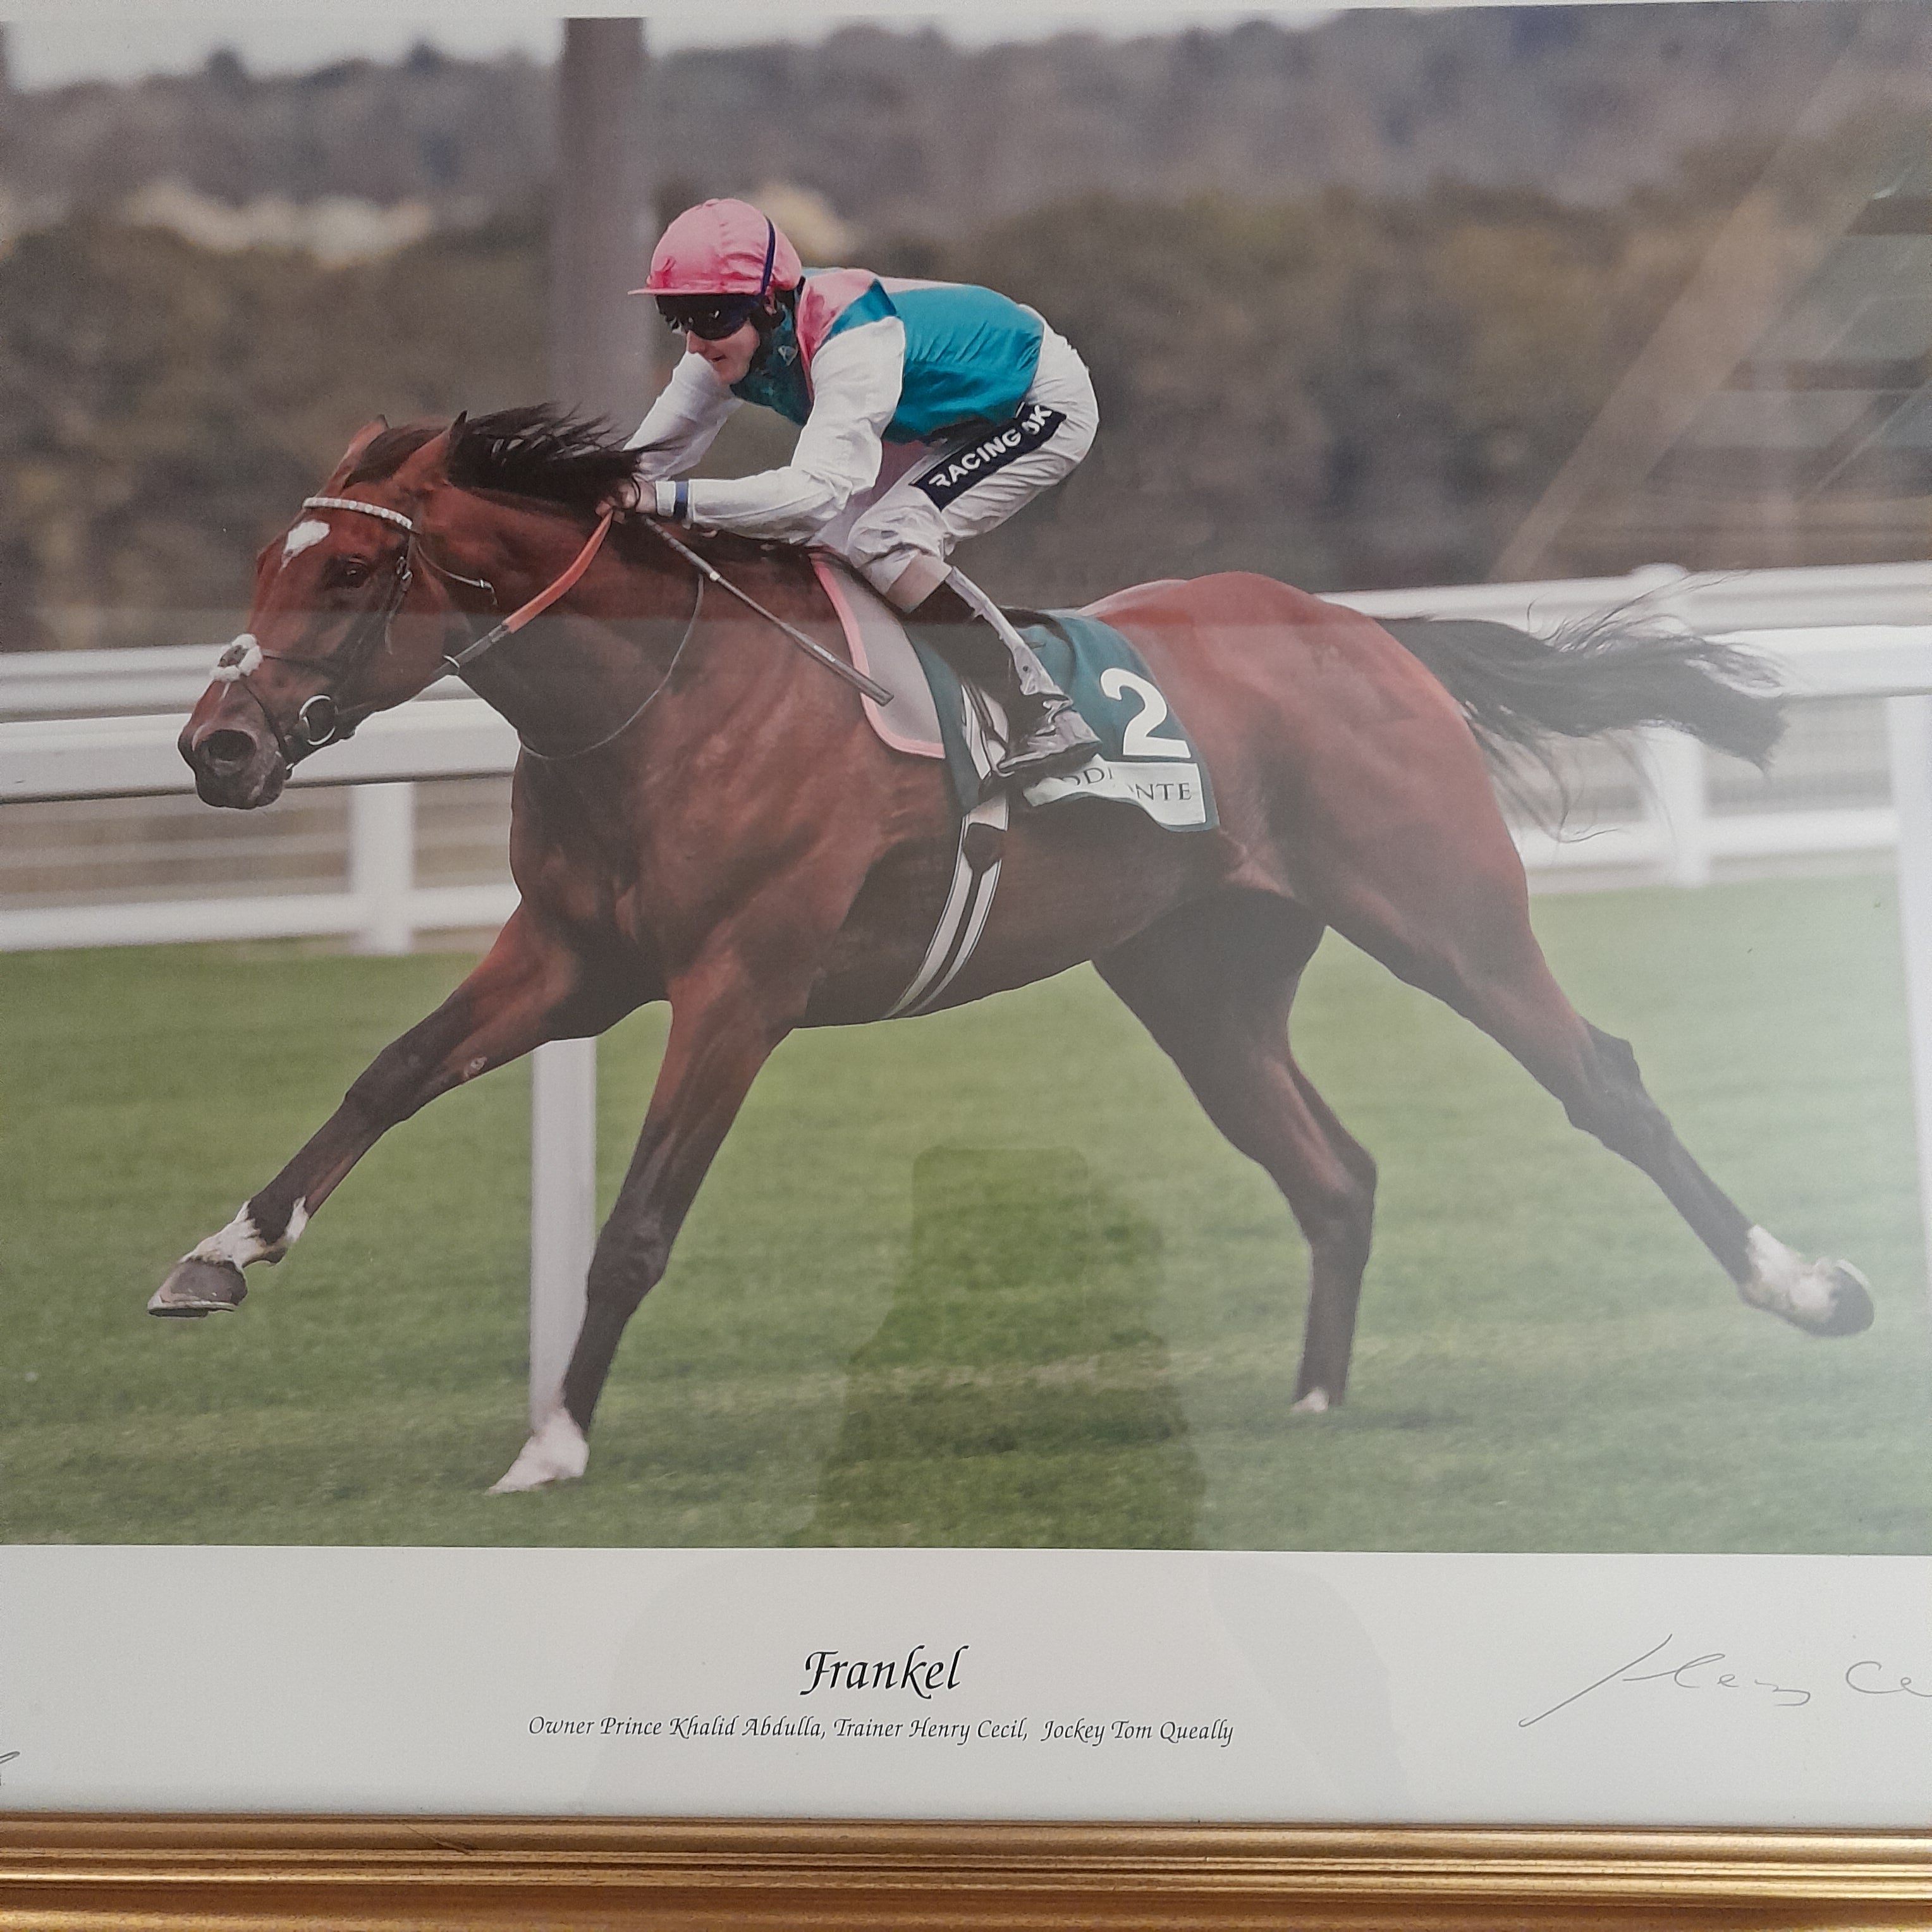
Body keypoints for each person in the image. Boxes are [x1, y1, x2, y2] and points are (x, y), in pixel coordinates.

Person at [613, 197, 1101, 784]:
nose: (695, 342)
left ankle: (1042, 709)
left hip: (1035, 401)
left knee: (885, 542)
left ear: (770, 303)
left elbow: (811, 495)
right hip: (932, 419)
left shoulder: (852, 338)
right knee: (828, 559)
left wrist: (666, 503)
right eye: (680, 318)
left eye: (713, 317)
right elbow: (642, 466)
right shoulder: (723, 348)